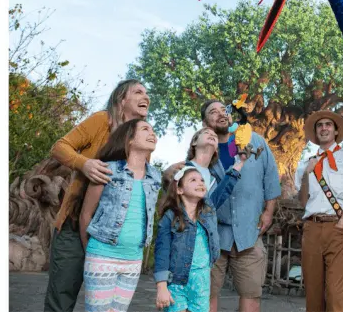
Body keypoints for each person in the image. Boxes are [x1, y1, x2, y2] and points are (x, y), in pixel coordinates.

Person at [44, 79, 150, 312]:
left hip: (112, 241)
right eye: (138, 92)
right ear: (121, 99)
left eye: (147, 93)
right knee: (61, 297)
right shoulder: (102, 121)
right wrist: (84, 164)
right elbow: (60, 147)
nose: (146, 97)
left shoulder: (143, 140)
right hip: (74, 224)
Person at [201, 99, 281, 312]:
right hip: (211, 233)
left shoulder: (255, 141)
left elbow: (271, 177)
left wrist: (268, 211)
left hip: (249, 232)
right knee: (206, 293)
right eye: (212, 112)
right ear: (205, 123)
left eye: (223, 110)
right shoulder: (201, 148)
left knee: (251, 295)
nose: (220, 114)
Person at [78, 118, 163, 312]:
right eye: (145, 129)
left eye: (153, 130)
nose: (152, 133)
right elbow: (86, 214)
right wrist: (91, 251)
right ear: (130, 139)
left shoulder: (155, 176)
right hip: (102, 256)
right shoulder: (108, 169)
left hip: (133, 260)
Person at [153, 143, 247, 312]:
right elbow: (162, 252)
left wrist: (239, 164)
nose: (200, 183)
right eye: (193, 180)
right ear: (179, 189)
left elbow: (224, 188)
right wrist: (161, 287)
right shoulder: (170, 217)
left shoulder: (208, 209)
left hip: (202, 281)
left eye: (202, 180)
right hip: (176, 282)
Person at [295, 110, 343, 312]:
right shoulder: (306, 162)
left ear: (336, 131)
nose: (324, 128)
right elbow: (303, 201)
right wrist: (306, 174)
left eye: (328, 125)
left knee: (335, 293)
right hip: (312, 228)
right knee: (313, 292)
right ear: (316, 133)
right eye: (320, 125)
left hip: (337, 227)